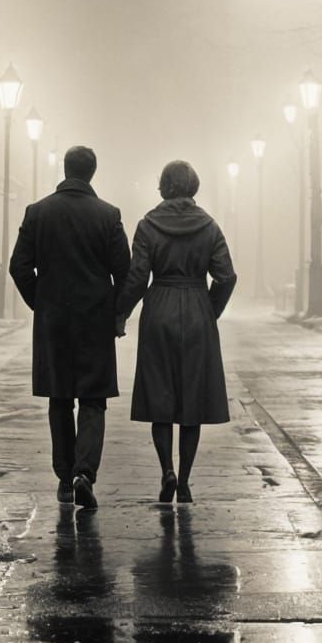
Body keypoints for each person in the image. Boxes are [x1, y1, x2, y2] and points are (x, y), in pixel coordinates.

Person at [9, 145, 131, 511]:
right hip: (94, 320)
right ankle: (84, 472)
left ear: (65, 170)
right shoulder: (108, 216)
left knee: (59, 398)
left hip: (54, 320)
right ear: (92, 173)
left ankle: (64, 477)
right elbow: (124, 271)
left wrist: (40, 301)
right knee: (93, 400)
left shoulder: (38, 212)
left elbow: (19, 266)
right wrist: (115, 312)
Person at [116, 160, 237, 504]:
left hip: (159, 309)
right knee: (192, 399)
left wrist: (121, 312)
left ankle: (166, 469)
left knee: (160, 396)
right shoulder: (209, 227)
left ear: (164, 187)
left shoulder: (148, 225)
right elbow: (226, 276)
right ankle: (184, 481)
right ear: (194, 186)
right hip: (197, 305)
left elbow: (137, 277)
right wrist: (209, 310)